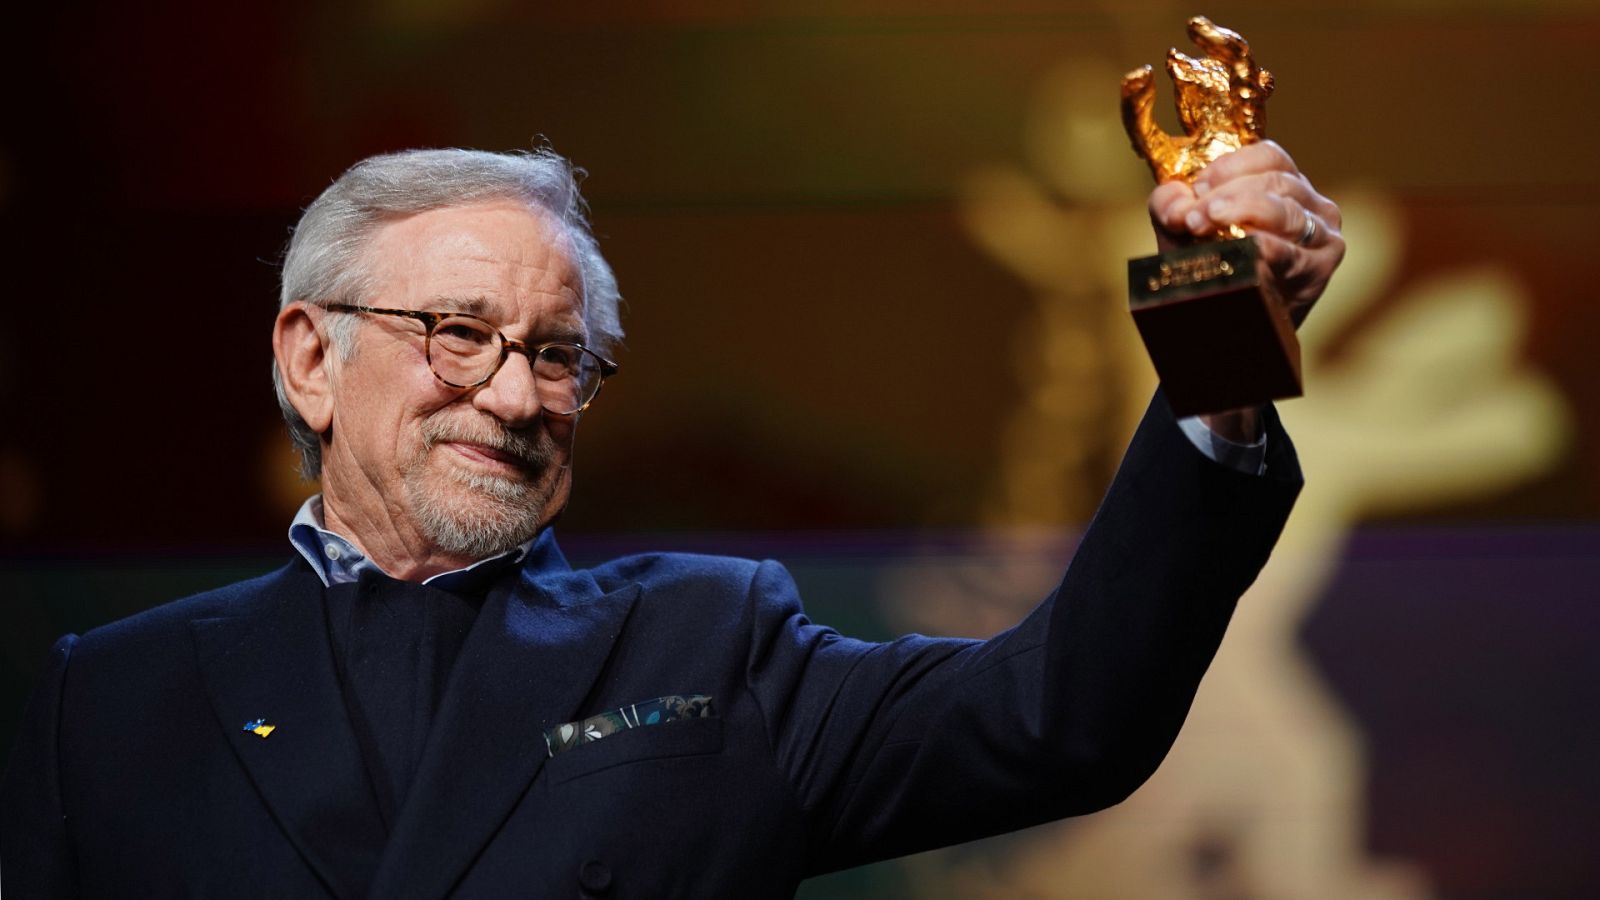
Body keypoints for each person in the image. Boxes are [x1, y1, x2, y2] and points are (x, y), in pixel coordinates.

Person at [1, 141, 1341, 899]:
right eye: (461, 333)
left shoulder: (710, 641)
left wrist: (1219, 365)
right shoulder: (117, 698)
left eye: (558, 355)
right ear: (309, 358)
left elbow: (1062, 720)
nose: (515, 393)